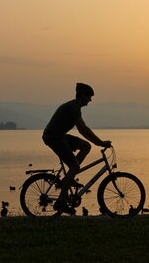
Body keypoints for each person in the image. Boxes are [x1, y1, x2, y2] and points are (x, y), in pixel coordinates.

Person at [43, 83, 111, 214]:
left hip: (60, 136)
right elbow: (83, 129)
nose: (90, 100)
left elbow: (83, 129)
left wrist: (97, 142)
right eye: (89, 97)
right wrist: (101, 143)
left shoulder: (75, 107)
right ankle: (60, 202)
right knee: (75, 166)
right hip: (53, 137)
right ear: (83, 96)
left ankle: (69, 176)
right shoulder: (74, 106)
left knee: (86, 146)